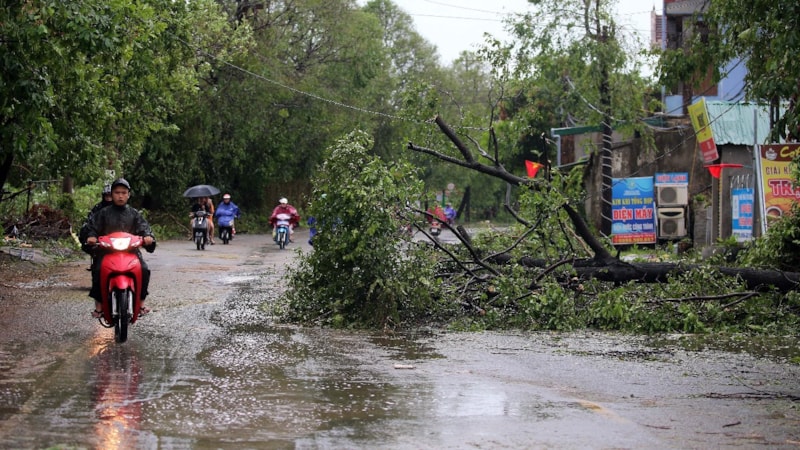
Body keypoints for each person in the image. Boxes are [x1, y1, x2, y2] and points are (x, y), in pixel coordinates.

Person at [85, 178, 156, 318]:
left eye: (124, 192)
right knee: (98, 270)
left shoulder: (134, 214)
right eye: (117, 192)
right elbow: (92, 228)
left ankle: (141, 304)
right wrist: (91, 237)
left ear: (128, 195)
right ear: (112, 194)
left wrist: (148, 237)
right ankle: (99, 307)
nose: (120, 196)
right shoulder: (103, 213)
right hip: (106, 252)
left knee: (144, 269)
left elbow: (144, 229)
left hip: (131, 252)